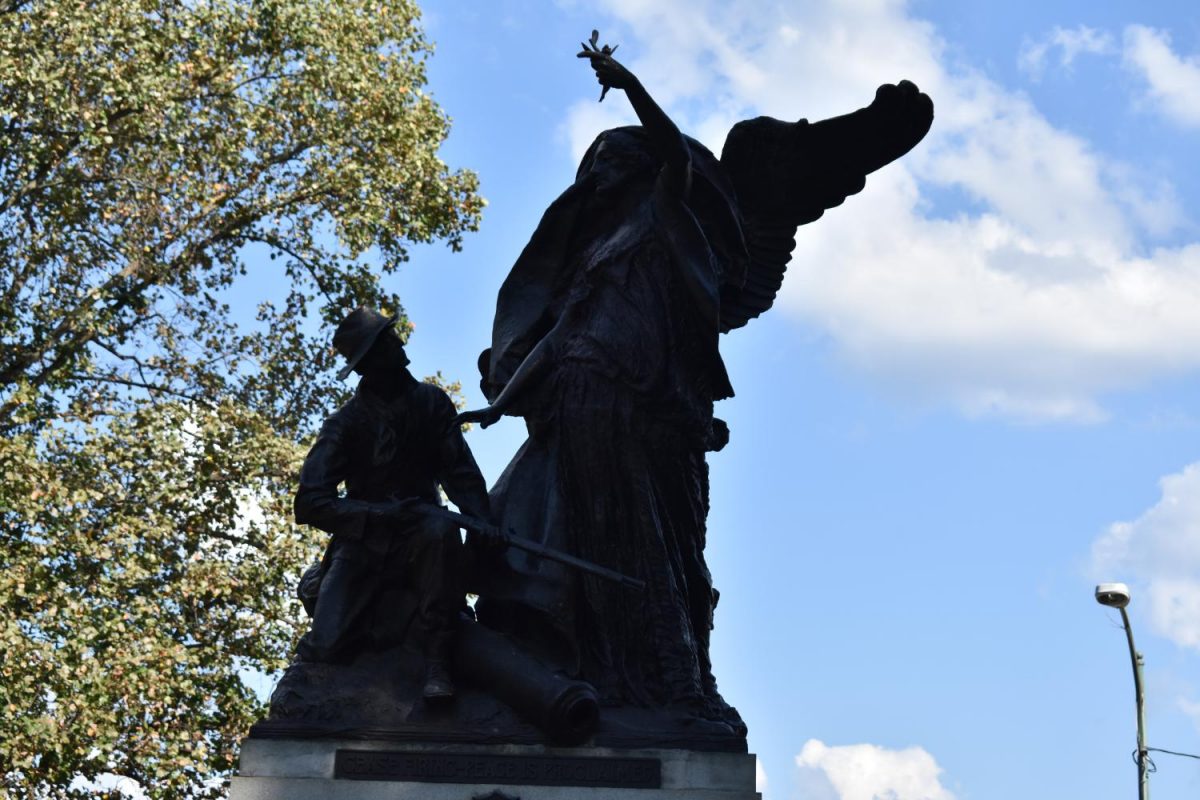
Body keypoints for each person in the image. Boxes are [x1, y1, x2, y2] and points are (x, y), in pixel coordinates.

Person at [459, 48, 745, 732]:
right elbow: (557, 337)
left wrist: (632, 86)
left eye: (613, 162)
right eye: (597, 165)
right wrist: (502, 405)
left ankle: (676, 683)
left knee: (659, 547)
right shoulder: (592, 253)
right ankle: (610, 674)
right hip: (585, 397)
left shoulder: (664, 217)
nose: (599, 174)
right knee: (599, 543)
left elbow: (675, 155)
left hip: (646, 407)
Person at [294, 307, 491, 700]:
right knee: (325, 645)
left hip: (423, 532)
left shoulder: (432, 403)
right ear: (369, 361)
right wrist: (376, 515)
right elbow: (310, 502)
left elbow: (460, 473)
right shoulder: (344, 424)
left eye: (394, 335)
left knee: (441, 531)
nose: (399, 343)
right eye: (387, 340)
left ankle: (438, 662)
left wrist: (484, 522)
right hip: (364, 542)